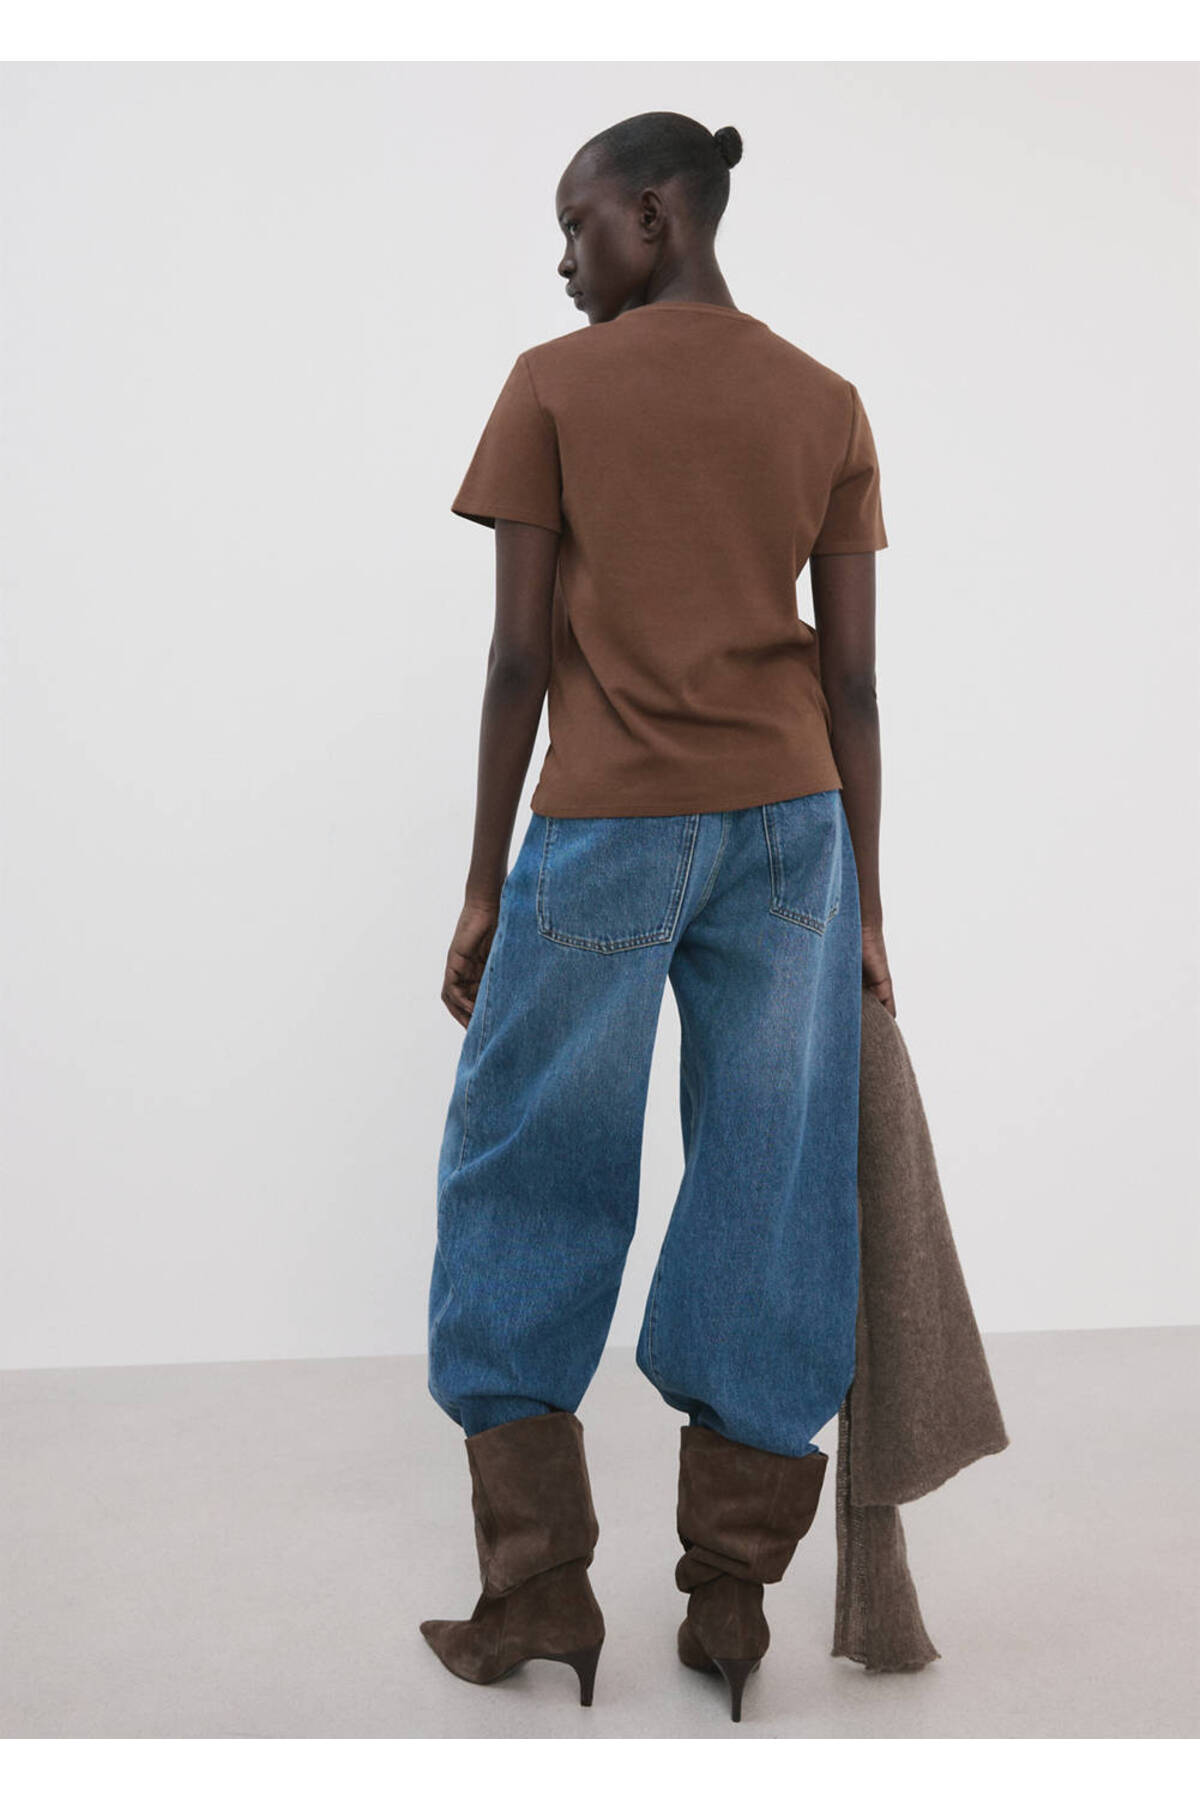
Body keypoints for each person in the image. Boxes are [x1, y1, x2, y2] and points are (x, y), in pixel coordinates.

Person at [419, 111, 891, 1724]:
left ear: (655, 213)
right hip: (795, 836)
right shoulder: (825, 400)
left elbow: (515, 658)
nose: (562, 261)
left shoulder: (553, 388)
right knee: (771, 1180)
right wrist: (870, 905)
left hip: (607, 830)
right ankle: (732, 1600)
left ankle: (536, 1589)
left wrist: (483, 881)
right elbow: (853, 683)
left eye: (577, 226)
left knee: (528, 1165)